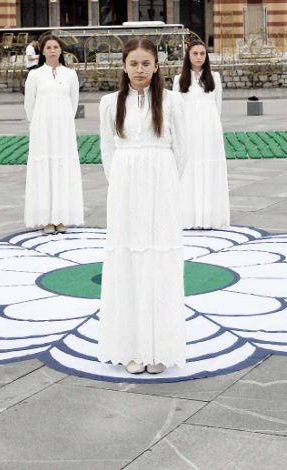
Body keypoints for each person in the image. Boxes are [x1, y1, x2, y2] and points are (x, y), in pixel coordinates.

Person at [98, 37, 188, 375]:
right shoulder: (109, 103)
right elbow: (107, 151)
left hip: (160, 182)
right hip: (125, 185)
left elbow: (183, 150)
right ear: (124, 66)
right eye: (134, 64)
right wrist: (122, 183)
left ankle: (159, 347)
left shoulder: (172, 101)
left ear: (156, 66)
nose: (140, 70)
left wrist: (166, 182)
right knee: (128, 260)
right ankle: (131, 348)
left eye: (146, 64)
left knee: (159, 260)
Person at [24, 34, 84, 234]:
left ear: (61, 50)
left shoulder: (70, 75)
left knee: (62, 169)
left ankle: (61, 217)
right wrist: (39, 123)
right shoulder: (35, 75)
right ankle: (46, 219)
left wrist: (63, 120)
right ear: (42, 51)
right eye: (48, 47)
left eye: (55, 47)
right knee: (44, 169)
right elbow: (29, 105)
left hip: (63, 130)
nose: (52, 50)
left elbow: (73, 102)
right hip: (42, 130)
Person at [177, 41, 229, 230]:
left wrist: (212, 128)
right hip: (189, 131)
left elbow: (218, 107)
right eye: (195, 53)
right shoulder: (179, 80)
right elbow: (176, 109)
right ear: (188, 56)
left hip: (209, 131)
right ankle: (188, 216)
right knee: (189, 170)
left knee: (209, 168)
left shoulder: (214, 78)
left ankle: (210, 216)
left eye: (202, 53)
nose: (199, 57)